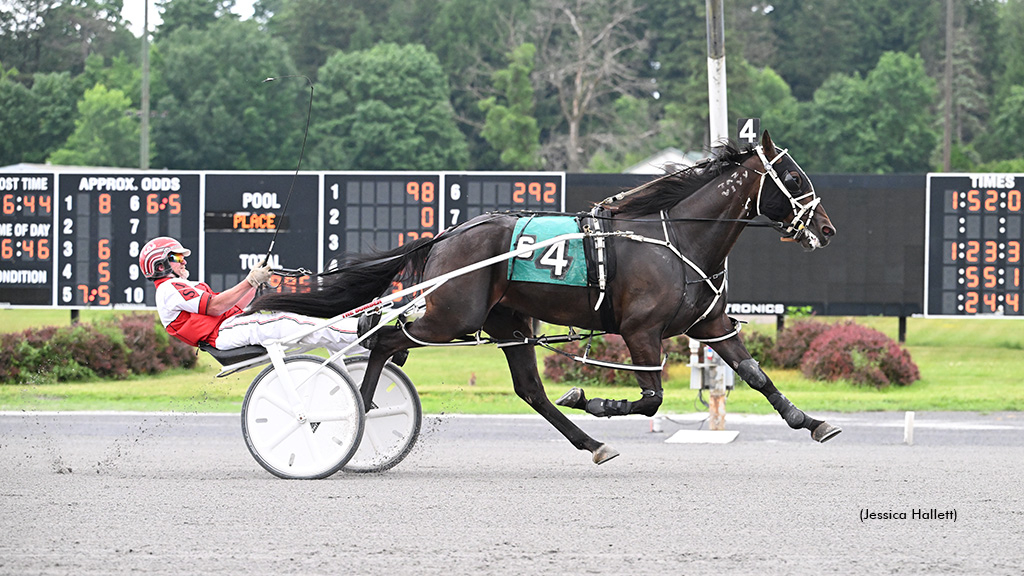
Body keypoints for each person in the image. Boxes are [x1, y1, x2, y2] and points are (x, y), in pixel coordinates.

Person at [139, 236, 367, 356]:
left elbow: (232, 304)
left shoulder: (178, 287)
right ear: (161, 265)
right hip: (222, 333)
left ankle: (363, 348)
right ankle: (358, 331)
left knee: (291, 318)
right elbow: (216, 307)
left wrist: (255, 282)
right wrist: (250, 280)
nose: (184, 260)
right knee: (285, 321)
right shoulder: (170, 289)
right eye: (178, 258)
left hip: (228, 327)